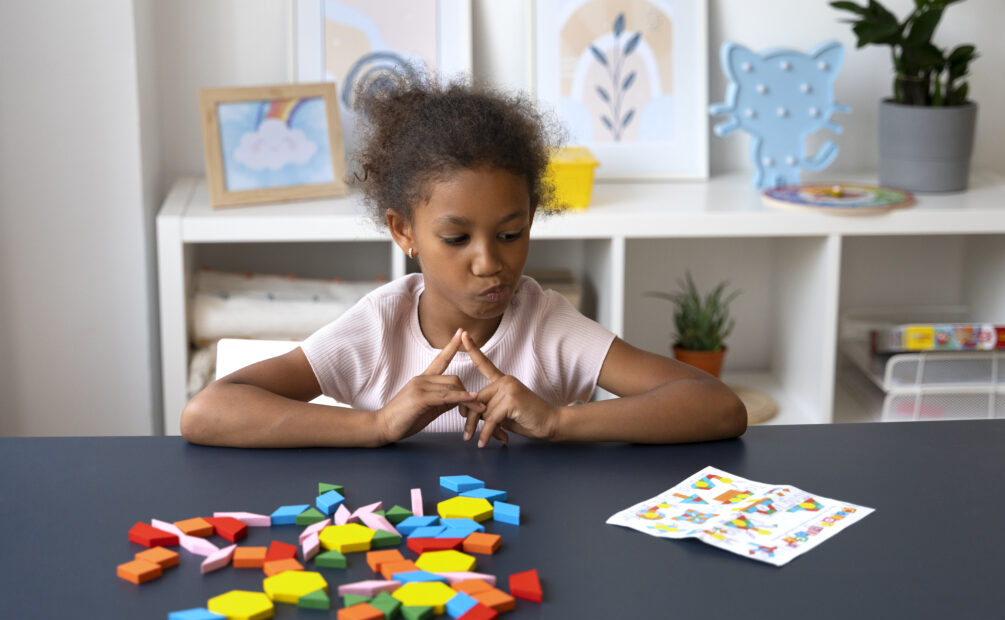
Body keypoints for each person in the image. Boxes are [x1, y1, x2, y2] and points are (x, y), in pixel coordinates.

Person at [180, 75, 747, 448]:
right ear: (404, 231)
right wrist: (375, 424)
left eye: (510, 232)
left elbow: (718, 406)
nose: (489, 263)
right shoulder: (378, 327)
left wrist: (559, 421)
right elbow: (208, 412)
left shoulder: (546, 325)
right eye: (456, 239)